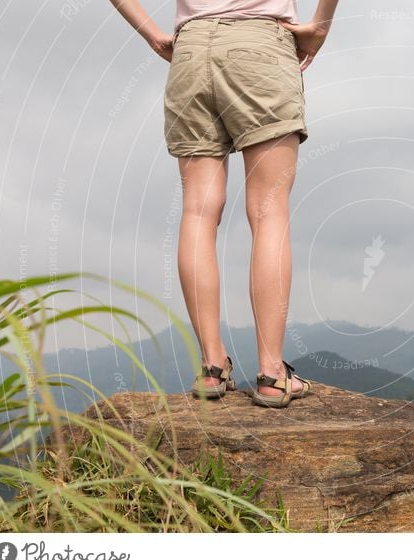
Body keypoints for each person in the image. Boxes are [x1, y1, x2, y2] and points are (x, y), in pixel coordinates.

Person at [109, 0, 339, 407]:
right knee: (269, 211)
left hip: (191, 51)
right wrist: (319, 25)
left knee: (198, 211)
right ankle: (271, 373)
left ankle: (212, 367)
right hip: (262, 44)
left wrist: (151, 32)